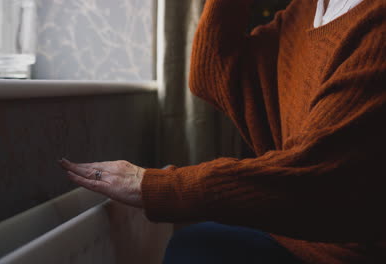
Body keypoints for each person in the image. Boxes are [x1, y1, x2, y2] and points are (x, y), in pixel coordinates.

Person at [59, 0, 386, 263]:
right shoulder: (307, 10)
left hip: (352, 251)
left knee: (196, 249)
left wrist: (155, 185)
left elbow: (319, 177)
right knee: (195, 245)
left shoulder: (376, 21)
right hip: (295, 236)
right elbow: (210, 73)